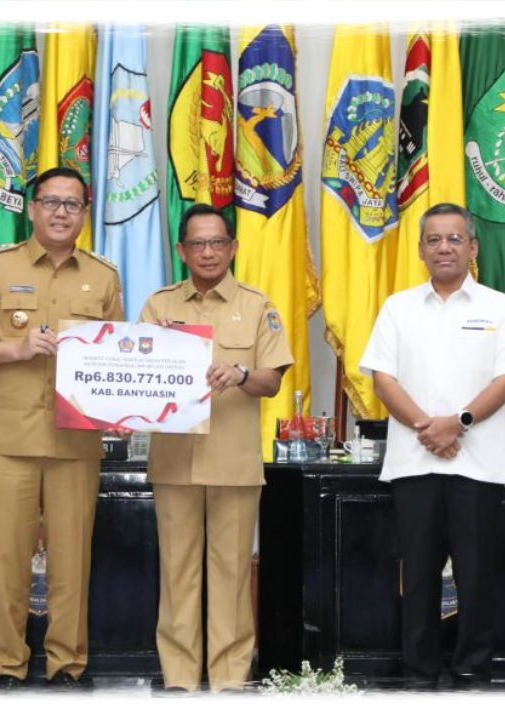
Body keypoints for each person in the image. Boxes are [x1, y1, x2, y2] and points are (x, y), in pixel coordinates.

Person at [0, 167, 124, 689]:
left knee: (73, 561)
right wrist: (16, 350)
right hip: (12, 440)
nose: (61, 213)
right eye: (51, 202)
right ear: (32, 209)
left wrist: (124, 405)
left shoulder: (103, 276)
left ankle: (67, 665)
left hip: (77, 440)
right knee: (7, 559)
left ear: (85, 213)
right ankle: (8, 664)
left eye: (72, 204)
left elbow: (116, 355)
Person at [358, 202, 505, 688]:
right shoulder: (397, 307)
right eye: (434, 239)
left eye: (455, 239)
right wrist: (426, 427)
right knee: (417, 576)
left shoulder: (500, 307)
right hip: (414, 462)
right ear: (420, 249)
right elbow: (383, 380)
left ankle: (472, 669)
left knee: (476, 576)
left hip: (477, 464)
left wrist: (457, 423)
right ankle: (418, 672)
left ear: (473, 248)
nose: (444, 247)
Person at [139, 204, 293, 692]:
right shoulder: (159, 306)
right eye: (198, 244)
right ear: (182, 251)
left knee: (229, 579)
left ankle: (229, 682)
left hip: (233, 463)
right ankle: (180, 682)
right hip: (173, 461)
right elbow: (135, 377)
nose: (208, 252)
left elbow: (271, 380)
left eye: (217, 243)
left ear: (233, 248)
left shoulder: (257, 304)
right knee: (177, 576)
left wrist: (241, 374)